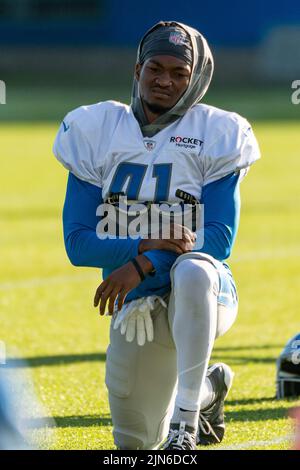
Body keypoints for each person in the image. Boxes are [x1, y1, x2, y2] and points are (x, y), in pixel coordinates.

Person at [53, 21, 260, 450]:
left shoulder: (218, 133)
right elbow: (78, 244)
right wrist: (143, 246)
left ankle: (185, 424)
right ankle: (206, 391)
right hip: (137, 306)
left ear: (197, 78)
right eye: (155, 68)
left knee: (195, 271)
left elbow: (218, 240)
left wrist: (143, 262)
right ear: (137, 70)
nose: (164, 80)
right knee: (135, 446)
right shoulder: (95, 129)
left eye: (179, 73)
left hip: (205, 295)